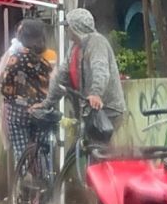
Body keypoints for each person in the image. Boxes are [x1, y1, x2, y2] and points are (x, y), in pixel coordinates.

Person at [36, 8, 126, 140]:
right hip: (89, 110)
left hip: (107, 109)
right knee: (84, 148)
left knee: (100, 150)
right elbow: (61, 77)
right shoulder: (74, 47)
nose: (67, 31)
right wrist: (47, 103)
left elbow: (100, 70)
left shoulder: (97, 42)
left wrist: (96, 93)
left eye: (68, 27)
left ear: (75, 27)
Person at [0, 19, 54, 163]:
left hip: (19, 110)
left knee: (22, 150)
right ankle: (46, 176)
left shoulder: (16, 58)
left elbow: (4, 82)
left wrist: (8, 96)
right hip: (41, 110)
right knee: (42, 149)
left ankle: (25, 179)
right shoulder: (44, 61)